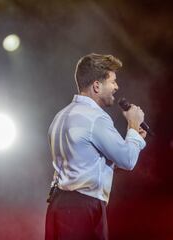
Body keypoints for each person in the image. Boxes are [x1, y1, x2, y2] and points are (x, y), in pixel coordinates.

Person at [45, 53, 147, 240]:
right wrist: (133, 126)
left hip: (58, 205)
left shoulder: (60, 116)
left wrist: (134, 140)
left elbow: (88, 163)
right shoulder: (95, 117)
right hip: (83, 208)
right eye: (113, 81)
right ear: (97, 86)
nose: (116, 87)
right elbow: (128, 160)